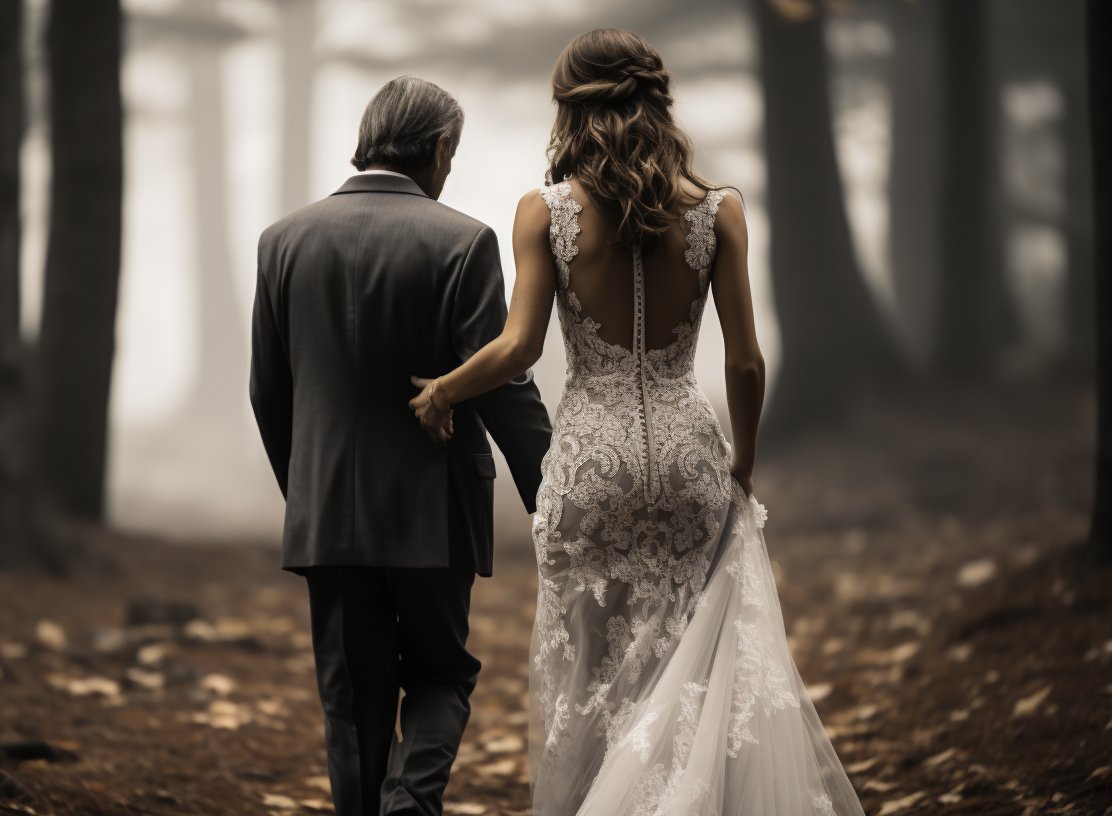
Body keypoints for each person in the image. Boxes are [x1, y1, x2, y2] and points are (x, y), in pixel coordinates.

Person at [408, 29, 865, 816]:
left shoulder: (543, 212)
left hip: (592, 463)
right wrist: (743, 466)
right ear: (658, 101)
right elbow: (747, 362)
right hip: (689, 460)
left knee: (596, 679)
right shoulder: (717, 211)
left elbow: (518, 347)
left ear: (570, 112)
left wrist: (444, 391)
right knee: (691, 669)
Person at [249, 77, 554, 816]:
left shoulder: (282, 240)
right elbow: (503, 385)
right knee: (441, 676)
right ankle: (412, 805)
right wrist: (558, 497)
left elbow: (269, 392)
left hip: (327, 518)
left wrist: (312, 496)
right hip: (434, 513)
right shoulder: (463, 241)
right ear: (440, 147)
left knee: (352, 701)